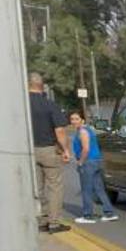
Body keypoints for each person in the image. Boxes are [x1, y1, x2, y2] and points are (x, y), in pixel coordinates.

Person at [28, 72, 72, 233]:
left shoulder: (23, 105)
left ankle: (41, 220)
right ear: (42, 86)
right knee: (54, 186)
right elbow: (60, 131)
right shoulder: (49, 105)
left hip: (29, 151)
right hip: (48, 150)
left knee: (37, 187)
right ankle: (53, 223)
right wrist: (66, 149)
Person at [69, 112, 119, 224]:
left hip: (88, 162)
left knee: (86, 190)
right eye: (72, 119)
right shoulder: (88, 130)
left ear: (82, 120)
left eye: (76, 119)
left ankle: (88, 215)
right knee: (99, 188)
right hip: (96, 161)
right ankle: (109, 213)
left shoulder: (82, 131)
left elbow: (85, 149)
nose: (73, 121)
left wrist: (80, 162)